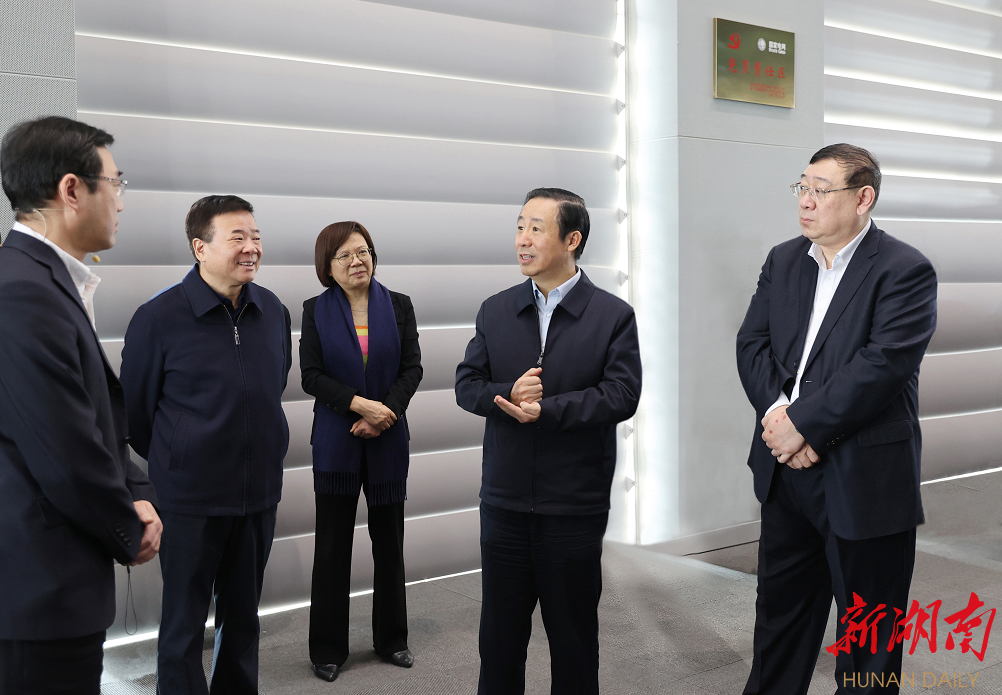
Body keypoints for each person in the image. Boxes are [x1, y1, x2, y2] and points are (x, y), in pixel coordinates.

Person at [736, 144, 937, 694]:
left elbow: (882, 366)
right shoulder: (784, 260)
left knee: (869, 642)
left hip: (863, 475)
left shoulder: (904, 269)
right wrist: (778, 418)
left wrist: (802, 425)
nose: (805, 201)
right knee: (779, 623)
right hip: (785, 471)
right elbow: (752, 343)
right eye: (802, 187)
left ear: (863, 198)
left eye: (820, 191)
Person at [456, 188, 642, 694]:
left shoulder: (612, 315)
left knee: (573, 643)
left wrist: (548, 410)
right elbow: (467, 385)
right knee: (499, 642)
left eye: (536, 229)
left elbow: (622, 395)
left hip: (573, 506)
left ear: (572, 239)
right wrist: (506, 393)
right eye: (520, 227)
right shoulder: (496, 310)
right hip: (504, 504)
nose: (523, 239)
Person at [0, 116, 162, 695]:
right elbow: (63, 447)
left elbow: (93, 419)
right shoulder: (23, 290)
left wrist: (138, 491)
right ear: (72, 190)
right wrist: (128, 526)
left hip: (55, 577)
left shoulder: (46, 280)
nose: (120, 200)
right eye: (115, 183)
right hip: (40, 587)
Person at [119, 195, 291, 694]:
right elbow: (135, 415)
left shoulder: (272, 310)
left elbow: (273, 385)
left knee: (243, 621)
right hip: (189, 500)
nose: (252, 247)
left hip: (257, 495)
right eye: (238, 237)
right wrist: (183, 455)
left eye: (255, 236)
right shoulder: (158, 317)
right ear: (200, 247)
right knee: (183, 624)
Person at [302, 221, 422, 682]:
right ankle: (327, 648)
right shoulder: (315, 310)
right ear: (327, 266)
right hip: (338, 439)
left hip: (387, 438)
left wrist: (384, 412)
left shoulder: (399, 305)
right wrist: (359, 404)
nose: (357, 261)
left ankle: (392, 639)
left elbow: (412, 368)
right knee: (333, 545)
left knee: (389, 544)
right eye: (345, 255)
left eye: (364, 251)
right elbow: (311, 375)